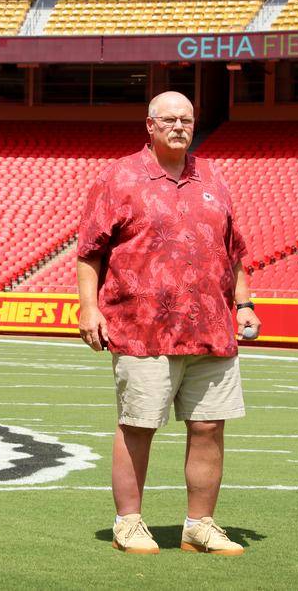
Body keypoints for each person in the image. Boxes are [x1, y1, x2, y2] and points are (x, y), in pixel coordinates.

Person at [76, 91, 259, 557]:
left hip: (212, 329)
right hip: (141, 329)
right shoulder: (119, 177)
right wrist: (88, 308)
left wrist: (244, 305)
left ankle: (199, 525)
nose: (180, 126)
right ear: (150, 126)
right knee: (138, 424)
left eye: (187, 119)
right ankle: (129, 523)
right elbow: (89, 251)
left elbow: (234, 253)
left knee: (208, 428)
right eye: (170, 119)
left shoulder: (214, 176)